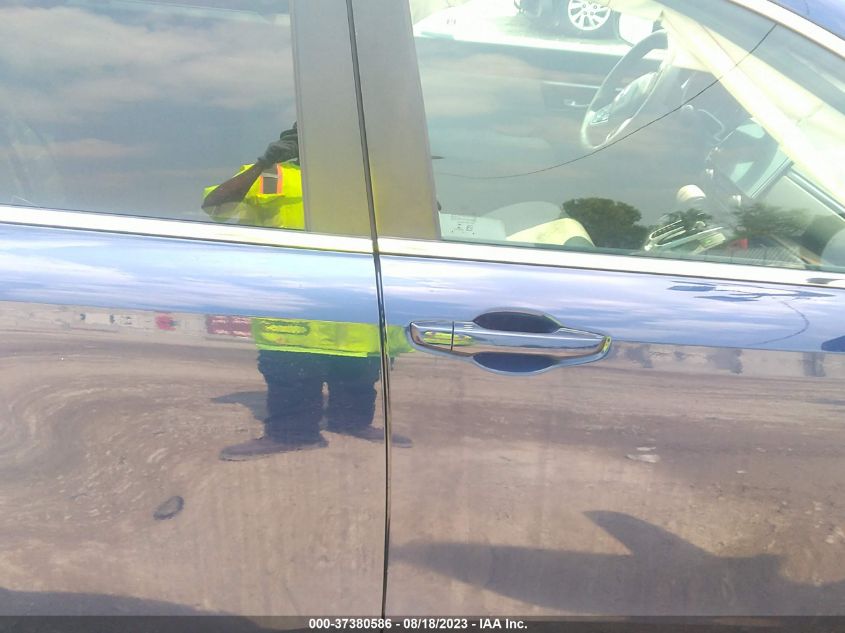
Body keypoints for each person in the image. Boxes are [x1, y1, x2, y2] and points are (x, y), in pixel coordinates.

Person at [203, 124, 410, 460]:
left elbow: (423, 216)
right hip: (294, 302)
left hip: (355, 299)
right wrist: (264, 163)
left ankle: (351, 421)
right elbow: (215, 209)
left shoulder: (375, 179)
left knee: (360, 369)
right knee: (290, 371)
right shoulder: (272, 175)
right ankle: (292, 433)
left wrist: (401, 174)